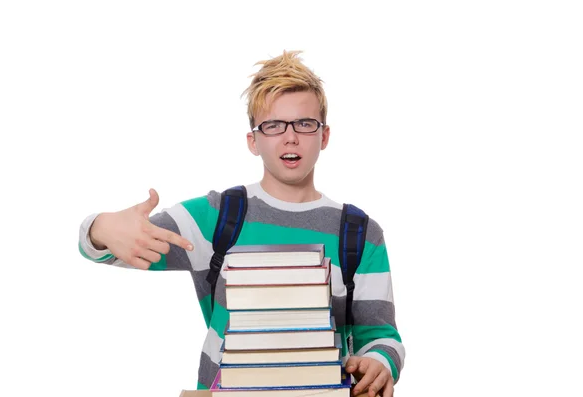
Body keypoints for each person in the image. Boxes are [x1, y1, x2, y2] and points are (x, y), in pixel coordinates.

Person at [78, 50, 405, 397]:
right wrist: (101, 228)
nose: (290, 137)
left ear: (324, 136)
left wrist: (379, 363)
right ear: (254, 141)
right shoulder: (217, 217)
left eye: (305, 124)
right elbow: (105, 248)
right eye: (274, 125)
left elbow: (383, 337)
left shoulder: (360, 233)